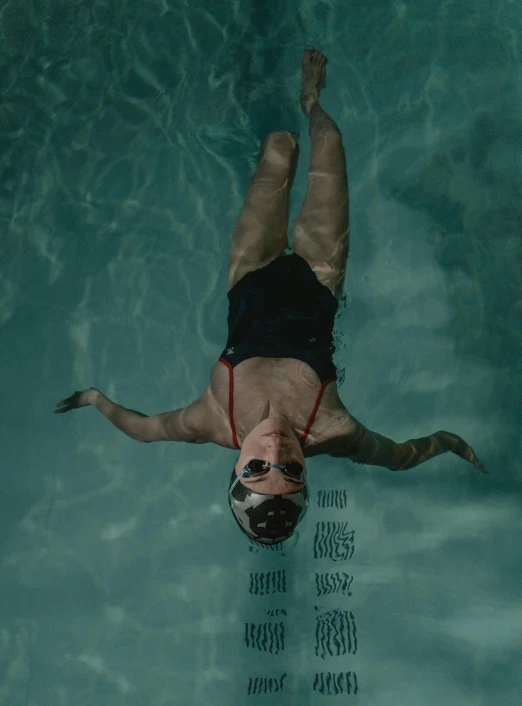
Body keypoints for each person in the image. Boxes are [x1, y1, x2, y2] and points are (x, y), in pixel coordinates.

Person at [54, 48, 486, 546]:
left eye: (258, 467)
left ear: (236, 466)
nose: (276, 451)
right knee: (331, 141)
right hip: (320, 274)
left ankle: (254, 85)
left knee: (279, 151)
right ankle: (310, 98)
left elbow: (145, 427)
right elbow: (403, 456)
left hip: (250, 271)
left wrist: (92, 399)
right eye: (291, 472)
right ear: (308, 476)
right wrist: (450, 443)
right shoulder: (335, 430)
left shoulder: (211, 420)